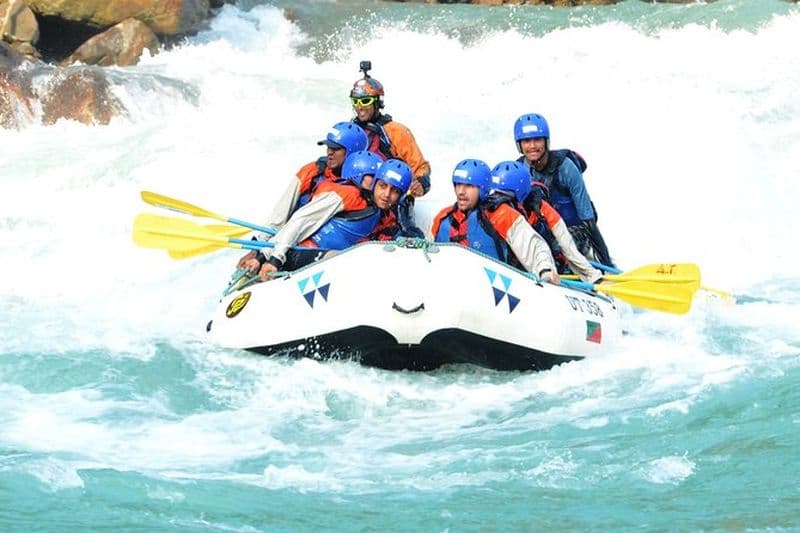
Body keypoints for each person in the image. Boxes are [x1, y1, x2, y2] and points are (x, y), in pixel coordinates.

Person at [243, 153, 412, 280]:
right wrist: (269, 258)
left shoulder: (382, 215)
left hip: (326, 259)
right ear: (375, 183)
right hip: (296, 254)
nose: (386, 195)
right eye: (383, 186)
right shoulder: (348, 194)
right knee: (341, 261)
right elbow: (300, 221)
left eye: (395, 191)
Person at [430, 159, 559, 284]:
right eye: (458, 184)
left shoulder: (501, 214)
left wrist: (545, 269)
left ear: (482, 189)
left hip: (494, 288)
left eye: (469, 186)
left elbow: (535, 246)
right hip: (450, 284)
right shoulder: (443, 217)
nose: (461, 192)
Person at [513, 113, 615, 267]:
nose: (532, 146)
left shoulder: (566, 168)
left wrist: (607, 264)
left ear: (546, 141)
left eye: (537, 140)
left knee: (554, 248)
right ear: (519, 145)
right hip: (545, 232)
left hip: (575, 232)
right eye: (527, 141)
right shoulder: (519, 170)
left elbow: (588, 219)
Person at [349, 60, 430, 237]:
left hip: (393, 198)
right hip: (361, 196)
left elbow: (421, 168)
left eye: (365, 101)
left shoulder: (396, 131)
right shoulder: (351, 131)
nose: (359, 107)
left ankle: (408, 237)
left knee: (406, 230)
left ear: (377, 102)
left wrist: (420, 184)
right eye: (355, 101)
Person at [263, 122, 368, 230]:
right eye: (328, 146)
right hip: (293, 235)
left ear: (351, 153)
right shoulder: (312, 170)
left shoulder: (364, 183)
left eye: (335, 148)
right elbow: (281, 212)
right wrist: (268, 236)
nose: (329, 152)